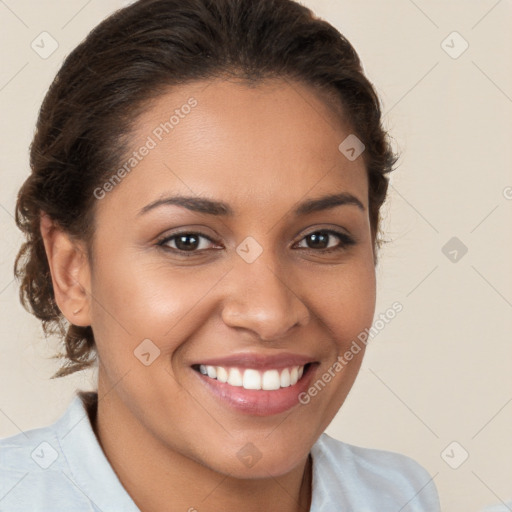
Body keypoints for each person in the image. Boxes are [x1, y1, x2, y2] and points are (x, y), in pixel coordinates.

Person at [0, 0, 441, 510]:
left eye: (321, 238)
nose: (270, 313)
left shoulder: (400, 496)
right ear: (72, 272)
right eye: (187, 241)